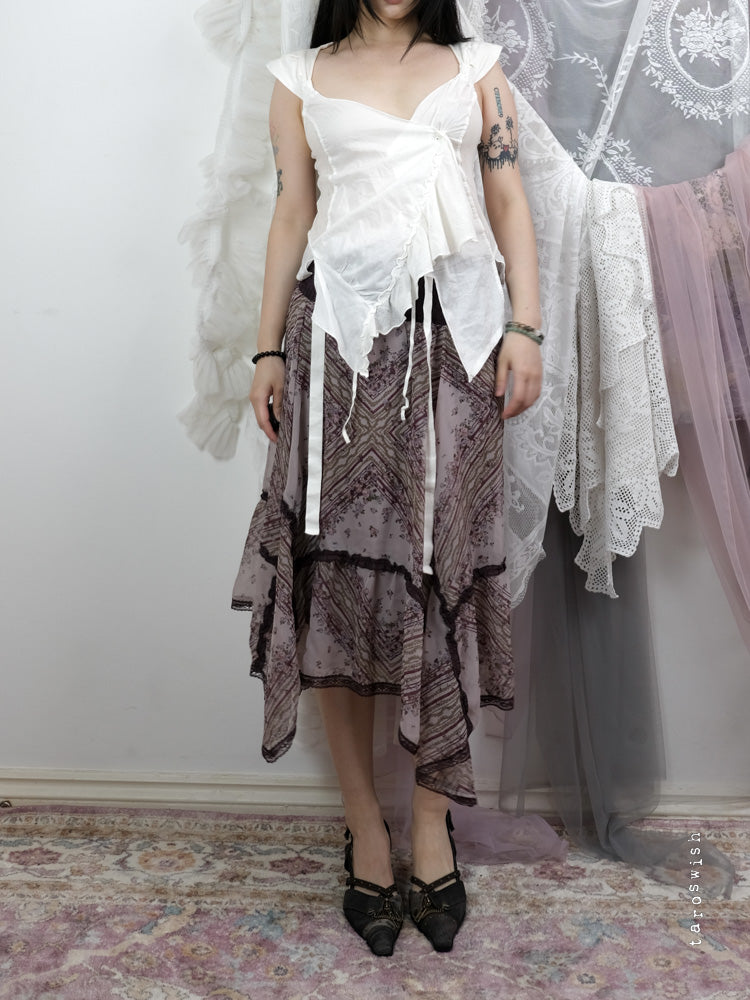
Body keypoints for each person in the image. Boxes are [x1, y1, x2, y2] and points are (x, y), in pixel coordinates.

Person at [232, 0, 542, 956]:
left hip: (458, 342)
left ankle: (430, 826)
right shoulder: (299, 78)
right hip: (339, 347)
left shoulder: (477, 69)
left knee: (444, 570)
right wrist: (265, 349)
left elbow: (507, 199)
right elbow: (293, 211)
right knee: (337, 584)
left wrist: (526, 327)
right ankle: (366, 827)